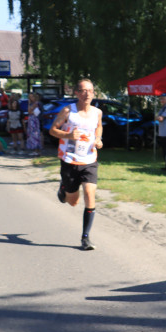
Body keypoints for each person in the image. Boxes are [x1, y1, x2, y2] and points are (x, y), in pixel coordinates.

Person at [50, 79, 104, 251]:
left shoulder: (97, 112)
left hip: (89, 160)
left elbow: (99, 128)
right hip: (69, 160)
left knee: (90, 193)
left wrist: (98, 139)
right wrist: (69, 136)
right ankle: (63, 190)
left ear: (94, 93)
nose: (87, 93)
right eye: (83, 90)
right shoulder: (68, 111)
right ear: (77, 93)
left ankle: (85, 238)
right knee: (72, 201)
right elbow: (52, 130)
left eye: (90, 90)